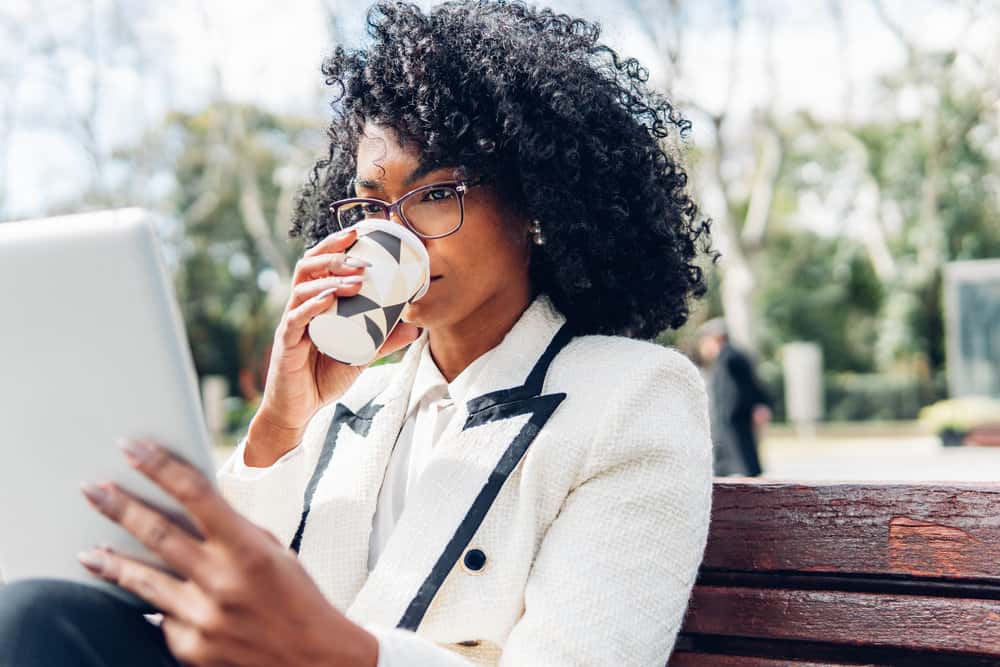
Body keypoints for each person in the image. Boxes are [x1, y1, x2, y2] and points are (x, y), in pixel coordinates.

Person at [0, 2, 715, 665]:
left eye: (436, 193)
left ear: (536, 202)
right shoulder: (348, 404)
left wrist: (338, 650)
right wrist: (281, 421)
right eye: (373, 205)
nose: (394, 234)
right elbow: (213, 600)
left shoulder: (631, 397)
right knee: (34, 614)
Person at [697, 318, 772, 477]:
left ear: (716, 339)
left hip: (735, 420)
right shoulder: (724, 358)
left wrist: (759, 404)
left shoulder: (732, 358)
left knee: (743, 462)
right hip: (728, 421)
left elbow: (750, 386)